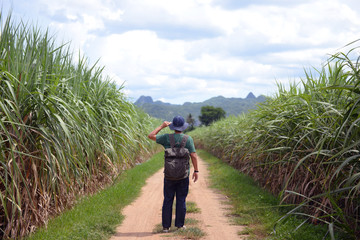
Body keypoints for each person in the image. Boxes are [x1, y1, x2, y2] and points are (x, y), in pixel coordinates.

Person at [148, 115, 199, 233]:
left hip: (169, 175)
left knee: (168, 199)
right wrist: (196, 171)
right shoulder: (188, 139)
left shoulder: (166, 138)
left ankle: (166, 227)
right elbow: (193, 155)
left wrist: (162, 126)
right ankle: (180, 225)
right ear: (183, 127)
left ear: (172, 127)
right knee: (181, 199)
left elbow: (150, 136)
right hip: (183, 175)